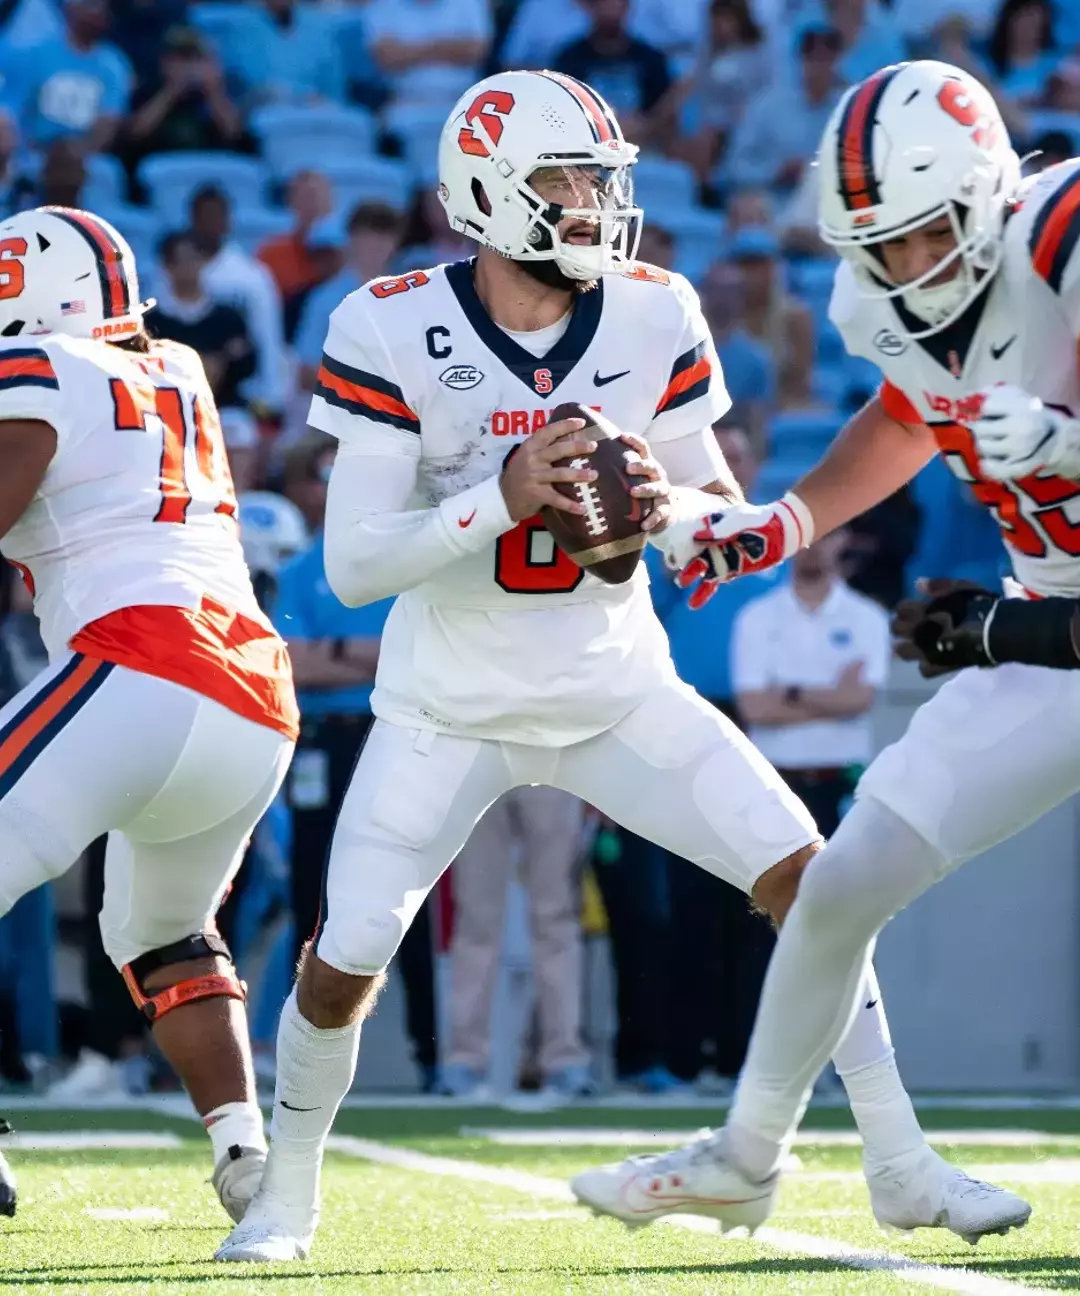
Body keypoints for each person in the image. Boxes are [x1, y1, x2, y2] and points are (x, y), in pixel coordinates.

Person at [216, 68, 1018, 1263]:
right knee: (345, 963)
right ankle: (287, 1197)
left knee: (818, 881)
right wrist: (502, 495)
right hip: (447, 707)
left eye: (601, 180)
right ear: (487, 195)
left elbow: (714, 510)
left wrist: (670, 504)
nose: (593, 204)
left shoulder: (652, 309)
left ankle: (900, 1162)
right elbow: (353, 570)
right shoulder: (384, 322)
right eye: (565, 181)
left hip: (618, 690)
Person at [610, 58, 1055, 1239]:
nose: (908, 269)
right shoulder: (884, 303)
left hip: (1048, 623)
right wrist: (787, 522)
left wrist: (1060, 428)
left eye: (925, 236)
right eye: (884, 246)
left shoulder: (1063, 232)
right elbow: (911, 407)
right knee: (841, 883)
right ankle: (750, 1155)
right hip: (1058, 620)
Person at [0, 205, 298, 1224]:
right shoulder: (178, 371)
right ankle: (248, 1158)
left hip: (140, 664)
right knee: (166, 932)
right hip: (253, 692)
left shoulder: (41, 369)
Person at [731, 528, 890, 838]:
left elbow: (861, 701)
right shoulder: (755, 617)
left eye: (825, 535)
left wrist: (790, 693)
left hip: (845, 779)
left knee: (845, 882)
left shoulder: (868, 618)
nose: (813, 547)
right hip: (775, 780)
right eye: (804, 537)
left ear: (843, 540)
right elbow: (754, 709)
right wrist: (836, 699)